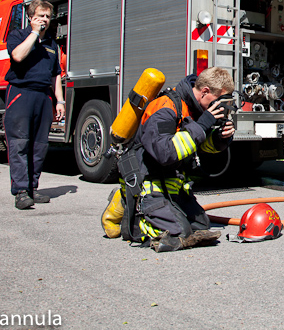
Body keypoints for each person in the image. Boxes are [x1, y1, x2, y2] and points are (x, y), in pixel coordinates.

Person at [101, 67, 236, 251]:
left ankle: (138, 206)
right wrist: (202, 125)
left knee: (201, 227)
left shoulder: (194, 109)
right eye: (219, 100)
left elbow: (196, 145)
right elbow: (164, 153)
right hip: (148, 183)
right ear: (205, 91)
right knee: (177, 233)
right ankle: (131, 210)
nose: (220, 106)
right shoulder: (165, 107)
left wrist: (220, 138)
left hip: (171, 185)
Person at [4, 0, 65, 210]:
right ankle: (21, 192)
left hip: (43, 96)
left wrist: (59, 101)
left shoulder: (52, 45)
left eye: (47, 17)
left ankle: (32, 187)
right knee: (20, 143)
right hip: (21, 93)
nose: (44, 20)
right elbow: (17, 56)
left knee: (39, 145)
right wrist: (34, 34)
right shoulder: (18, 36)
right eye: (40, 16)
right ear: (31, 18)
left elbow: (56, 75)